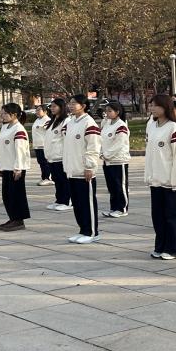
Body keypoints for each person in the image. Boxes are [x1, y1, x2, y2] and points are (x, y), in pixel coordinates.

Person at [144, 95, 176, 259]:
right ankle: (161, 245)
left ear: (165, 107)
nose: (152, 108)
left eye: (155, 106)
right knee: (158, 216)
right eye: (151, 105)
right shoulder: (152, 126)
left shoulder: (174, 128)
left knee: (173, 216)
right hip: (156, 180)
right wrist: (148, 175)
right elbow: (149, 153)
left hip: (170, 181)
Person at [63, 94, 102, 244]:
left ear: (83, 106)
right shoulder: (72, 122)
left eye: (74, 103)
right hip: (72, 169)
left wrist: (89, 166)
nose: (71, 106)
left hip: (84, 170)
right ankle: (83, 229)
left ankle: (92, 231)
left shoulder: (89, 123)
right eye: (70, 103)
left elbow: (93, 147)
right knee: (78, 203)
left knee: (87, 202)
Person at [0, 102, 31, 231]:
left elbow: (20, 150)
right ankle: (12, 217)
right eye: (2, 113)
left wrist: (18, 168)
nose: (2, 115)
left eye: (5, 113)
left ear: (14, 114)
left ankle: (18, 220)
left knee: (16, 195)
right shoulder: (6, 127)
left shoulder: (18, 129)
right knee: (7, 195)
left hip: (15, 168)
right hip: (6, 167)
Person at [99, 102, 130, 218]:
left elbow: (119, 144)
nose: (107, 113)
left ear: (117, 112)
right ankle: (114, 207)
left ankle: (122, 208)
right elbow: (101, 139)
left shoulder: (121, 126)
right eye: (106, 111)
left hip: (118, 160)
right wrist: (102, 153)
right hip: (107, 160)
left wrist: (107, 154)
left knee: (119, 185)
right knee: (111, 186)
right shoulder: (107, 123)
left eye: (110, 111)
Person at [44, 98, 72, 212]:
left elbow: (66, 139)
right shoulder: (53, 120)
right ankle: (59, 200)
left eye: (55, 106)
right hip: (52, 156)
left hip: (61, 156)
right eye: (51, 106)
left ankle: (67, 201)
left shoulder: (66, 121)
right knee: (57, 179)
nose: (52, 108)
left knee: (63, 180)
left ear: (62, 107)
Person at [31, 104, 52, 185]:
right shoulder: (37, 120)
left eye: (39, 110)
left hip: (44, 145)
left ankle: (48, 178)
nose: (37, 111)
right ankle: (44, 177)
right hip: (37, 145)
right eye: (36, 110)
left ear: (45, 111)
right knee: (41, 162)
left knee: (45, 162)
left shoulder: (47, 120)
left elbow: (50, 133)